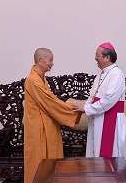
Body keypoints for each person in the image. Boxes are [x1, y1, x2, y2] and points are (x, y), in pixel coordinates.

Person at [23, 48, 81, 183]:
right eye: (50, 60)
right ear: (40, 60)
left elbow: (51, 101)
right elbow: (50, 103)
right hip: (38, 129)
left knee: (49, 162)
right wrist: (73, 108)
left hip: (46, 125)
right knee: (38, 161)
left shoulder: (41, 78)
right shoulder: (33, 80)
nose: (52, 63)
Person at [73, 42, 126, 161]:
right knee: (96, 153)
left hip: (111, 120)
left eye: (97, 55)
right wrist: (84, 106)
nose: (95, 58)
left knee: (110, 156)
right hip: (98, 119)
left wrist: (87, 108)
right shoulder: (101, 74)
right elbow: (92, 97)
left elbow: (109, 100)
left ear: (107, 57)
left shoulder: (117, 74)